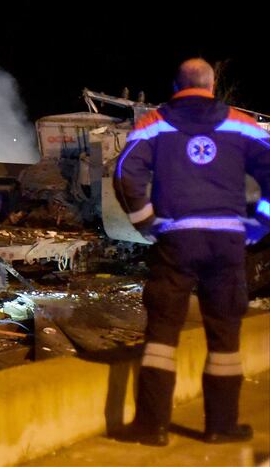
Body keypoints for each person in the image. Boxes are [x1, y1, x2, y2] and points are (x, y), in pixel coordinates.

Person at [113, 58, 270, 446]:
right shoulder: (241, 123)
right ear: (212, 85)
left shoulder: (155, 123)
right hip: (227, 242)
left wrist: (146, 221)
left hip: (176, 240)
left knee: (163, 332)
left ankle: (153, 427)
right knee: (225, 336)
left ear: (175, 86)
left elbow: (125, 173)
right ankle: (221, 425)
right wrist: (261, 223)